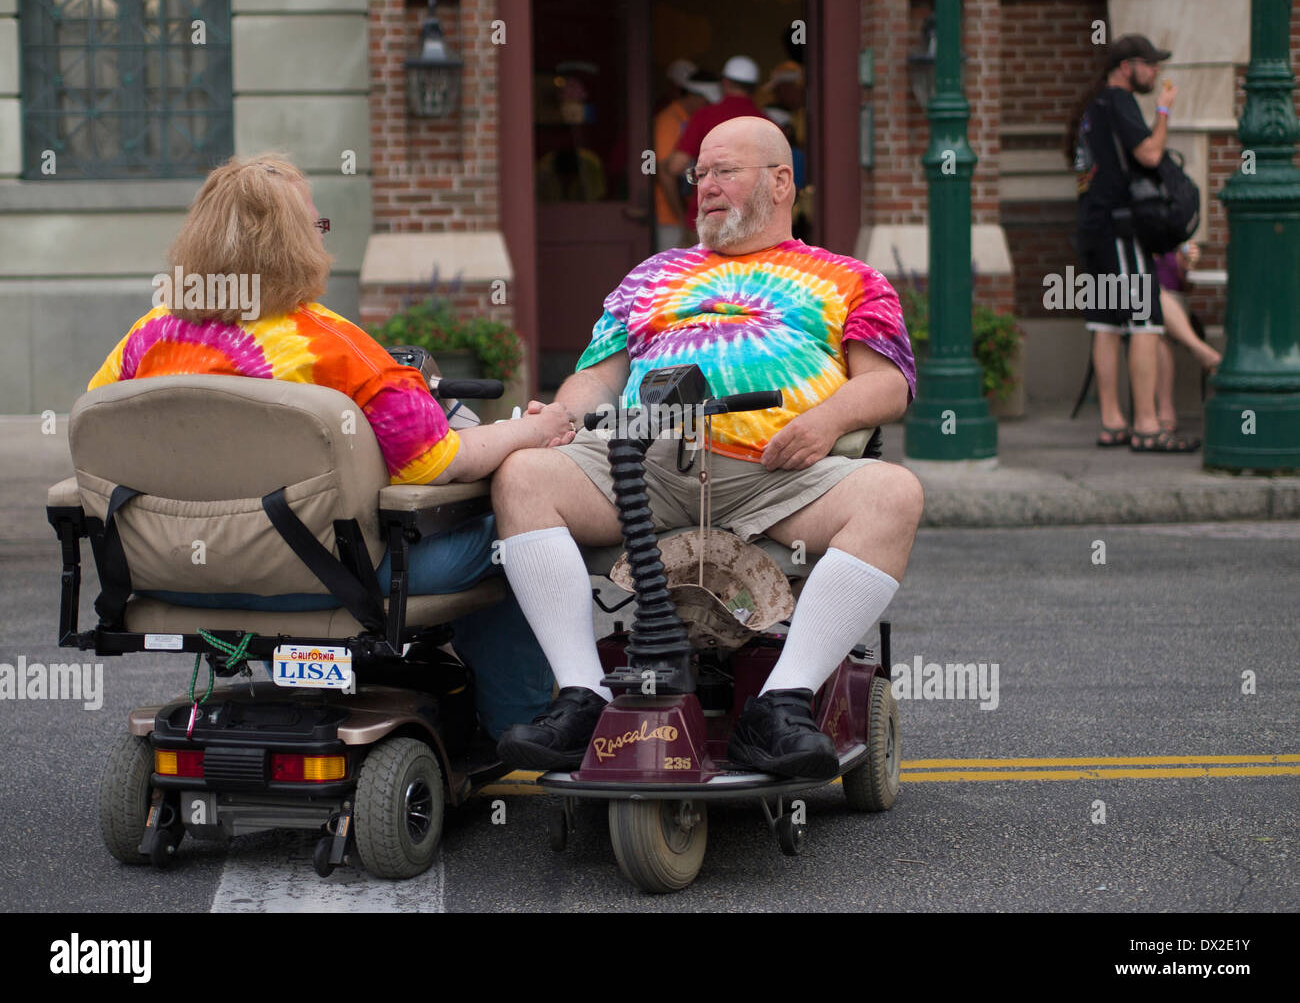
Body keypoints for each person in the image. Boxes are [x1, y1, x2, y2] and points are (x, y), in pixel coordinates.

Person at [491, 117, 922, 781]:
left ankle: (782, 703)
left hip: (776, 476)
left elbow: (889, 384)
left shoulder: (847, 278)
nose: (706, 186)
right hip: (646, 467)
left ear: (781, 183)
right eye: (700, 174)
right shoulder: (651, 276)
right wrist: (561, 413)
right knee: (522, 475)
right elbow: (598, 375)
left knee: (894, 493)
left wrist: (826, 421)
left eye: (726, 171)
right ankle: (584, 696)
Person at [86, 153, 574, 738]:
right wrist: (534, 430)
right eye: (316, 227)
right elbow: (435, 461)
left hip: (174, 574)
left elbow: (100, 427)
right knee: (511, 535)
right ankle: (515, 728)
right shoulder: (334, 346)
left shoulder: (147, 338)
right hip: (330, 577)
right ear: (296, 243)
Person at [1067, 34, 1199, 452]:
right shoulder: (1119, 101)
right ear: (1127, 67)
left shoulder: (1090, 110)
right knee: (1145, 323)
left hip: (1092, 228)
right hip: (1121, 230)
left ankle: (1113, 423)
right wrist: (1163, 111)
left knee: (1105, 325)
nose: (1156, 71)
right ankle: (1146, 426)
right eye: (1150, 64)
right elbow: (1149, 154)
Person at [659, 55, 775, 248]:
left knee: (699, 278)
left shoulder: (705, 116)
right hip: (753, 223)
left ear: (725, 82)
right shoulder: (767, 123)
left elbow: (675, 166)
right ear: (754, 87)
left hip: (708, 220)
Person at [1154, 242, 1221, 436]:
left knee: (1158, 326)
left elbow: (1187, 287)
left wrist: (1185, 266)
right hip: (1142, 307)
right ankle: (1202, 351)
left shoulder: (1173, 243)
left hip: (1177, 310)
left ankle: (1165, 411)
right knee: (1156, 325)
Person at [653, 62, 716, 251]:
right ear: (694, 96)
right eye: (707, 102)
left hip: (688, 215)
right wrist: (681, 218)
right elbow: (665, 173)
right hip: (670, 217)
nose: (708, 107)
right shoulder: (669, 121)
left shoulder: (689, 119)